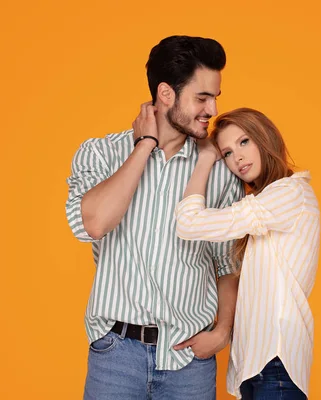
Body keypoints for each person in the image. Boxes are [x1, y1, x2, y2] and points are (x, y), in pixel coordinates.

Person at [65, 35, 244, 400]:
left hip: (188, 360)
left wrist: (222, 332)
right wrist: (144, 145)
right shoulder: (100, 153)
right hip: (115, 354)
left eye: (214, 97)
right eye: (201, 97)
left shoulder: (219, 169)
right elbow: (94, 223)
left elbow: (227, 262)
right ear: (165, 94)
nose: (211, 109)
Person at [172, 108, 321, 399]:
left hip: (277, 362)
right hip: (258, 366)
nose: (237, 158)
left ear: (265, 138)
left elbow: (189, 223)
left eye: (244, 142)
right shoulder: (267, 202)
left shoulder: (289, 193)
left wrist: (204, 161)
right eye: (226, 152)